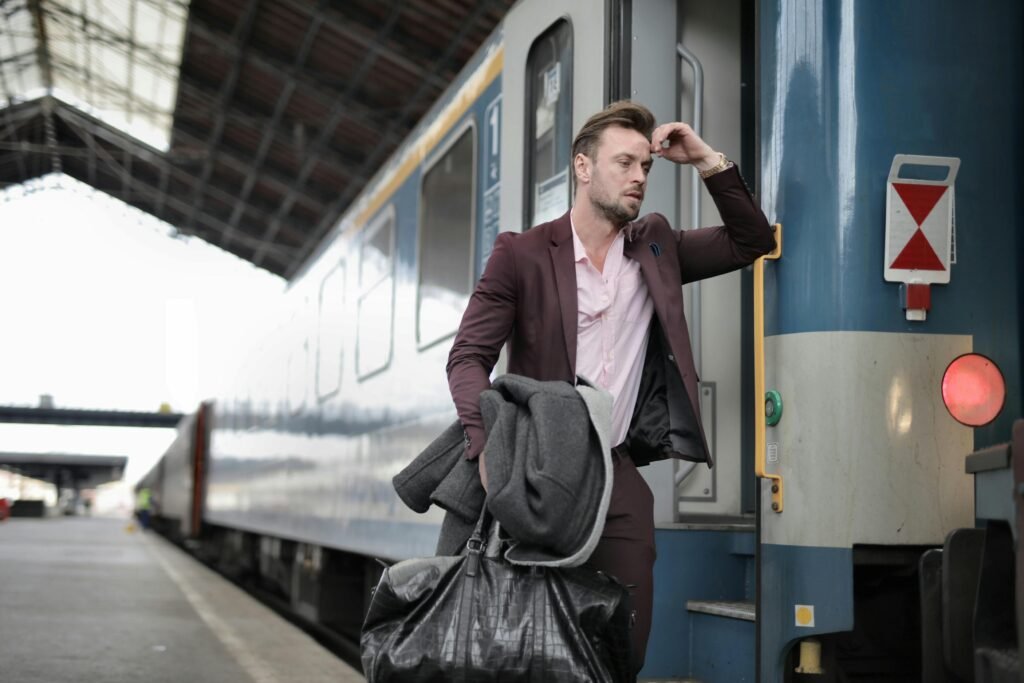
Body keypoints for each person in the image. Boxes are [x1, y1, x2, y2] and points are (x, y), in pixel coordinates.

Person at [446, 100, 775, 675]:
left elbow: (750, 241)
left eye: (645, 167)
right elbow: (468, 358)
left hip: (617, 472)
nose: (639, 177)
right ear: (582, 167)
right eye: (624, 163)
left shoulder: (656, 247)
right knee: (527, 637)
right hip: (538, 468)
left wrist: (704, 159)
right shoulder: (521, 254)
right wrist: (487, 449)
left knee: (625, 641)